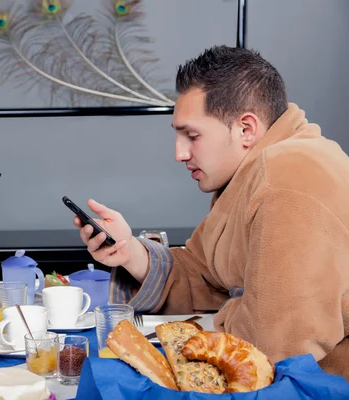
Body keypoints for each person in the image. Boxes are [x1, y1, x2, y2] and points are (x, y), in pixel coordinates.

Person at [74, 45, 348, 380]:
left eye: (192, 135)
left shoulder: (290, 176)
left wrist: (234, 304)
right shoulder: (251, 175)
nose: (179, 152)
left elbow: (275, 344)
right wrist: (129, 251)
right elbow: (206, 274)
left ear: (246, 129)